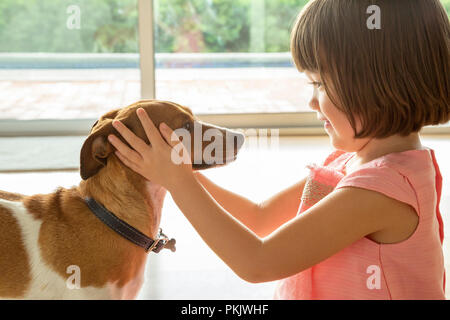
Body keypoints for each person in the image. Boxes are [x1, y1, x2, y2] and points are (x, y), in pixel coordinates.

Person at [107, 0, 449, 299]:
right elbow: (260, 217)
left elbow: (258, 261)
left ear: (376, 83)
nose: (311, 100)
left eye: (320, 83)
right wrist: (177, 170)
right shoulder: (352, 164)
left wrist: (178, 181)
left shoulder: (382, 191)